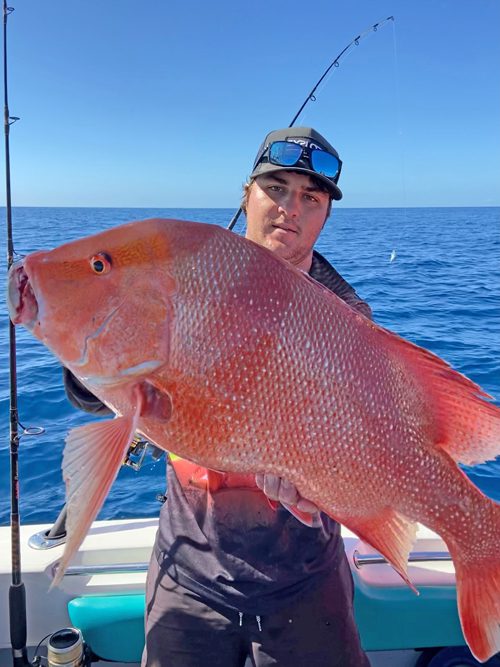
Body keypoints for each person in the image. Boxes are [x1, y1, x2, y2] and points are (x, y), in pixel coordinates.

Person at [64, 126, 372, 667]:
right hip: (189, 574)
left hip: (305, 579)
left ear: (326, 215)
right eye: (275, 187)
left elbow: (360, 443)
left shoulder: (345, 319)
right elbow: (96, 396)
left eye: (311, 197)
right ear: (246, 195)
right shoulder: (181, 277)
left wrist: (316, 478)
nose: (289, 209)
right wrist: (81, 345)